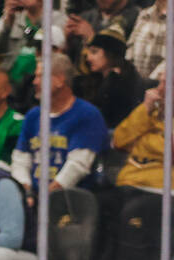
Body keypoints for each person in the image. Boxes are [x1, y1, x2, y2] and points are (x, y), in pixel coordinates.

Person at [98, 77, 171, 260]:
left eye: (166, 84)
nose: (158, 89)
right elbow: (119, 140)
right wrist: (145, 110)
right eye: (160, 83)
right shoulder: (148, 114)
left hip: (162, 187)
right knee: (100, 204)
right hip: (130, 183)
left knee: (135, 211)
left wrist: (145, 137)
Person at [11, 54, 110, 200]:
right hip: (34, 197)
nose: (35, 82)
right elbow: (21, 159)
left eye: (41, 76)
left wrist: (45, 199)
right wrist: (25, 192)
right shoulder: (33, 115)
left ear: (60, 80)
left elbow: (77, 166)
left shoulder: (87, 115)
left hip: (71, 200)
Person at [75, 26, 144, 129]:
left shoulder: (124, 82)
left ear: (111, 53)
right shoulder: (94, 79)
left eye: (94, 52)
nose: (88, 58)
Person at [125, 0, 166, 81]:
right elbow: (131, 45)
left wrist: (149, 82)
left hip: (160, 85)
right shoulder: (145, 14)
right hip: (134, 81)